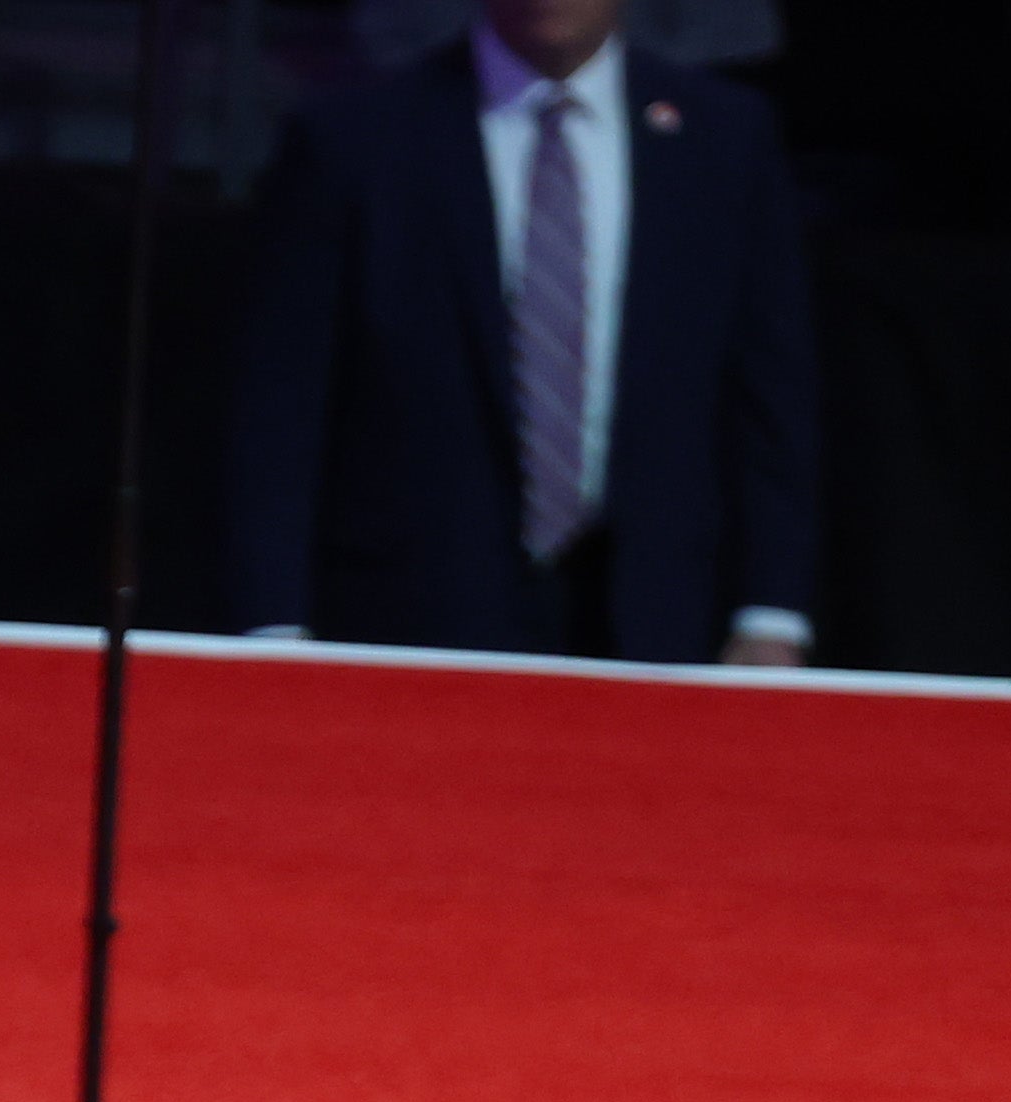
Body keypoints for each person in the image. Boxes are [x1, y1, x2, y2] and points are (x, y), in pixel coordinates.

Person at [225, 0, 818, 668]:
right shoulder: (354, 137)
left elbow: (770, 391)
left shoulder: (723, 136)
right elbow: (281, 402)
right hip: (411, 622)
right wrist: (272, 625)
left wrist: (772, 612)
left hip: (657, 621)